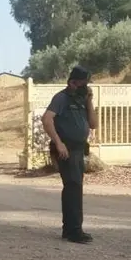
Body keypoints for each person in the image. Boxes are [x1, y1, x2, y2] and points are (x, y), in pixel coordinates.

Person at [41, 65, 99, 244]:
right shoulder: (61, 98)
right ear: (72, 83)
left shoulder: (82, 100)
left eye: (86, 84)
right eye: (82, 84)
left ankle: (70, 229)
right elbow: (47, 119)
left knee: (74, 187)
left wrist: (89, 101)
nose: (84, 87)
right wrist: (59, 143)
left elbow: (93, 124)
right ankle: (74, 231)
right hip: (66, 148)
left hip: (79, 149)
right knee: (73, 186)